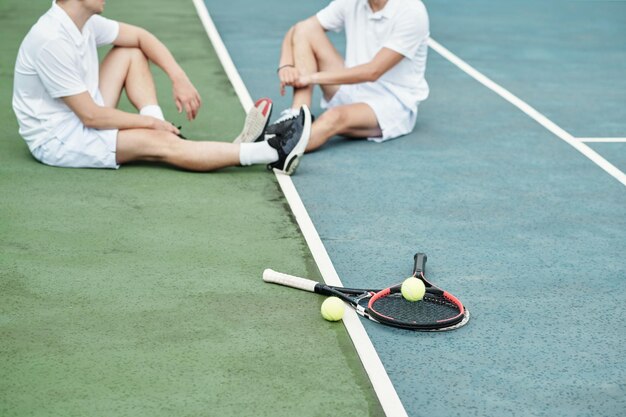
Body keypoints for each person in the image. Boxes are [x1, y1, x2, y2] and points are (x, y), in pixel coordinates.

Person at [12, 0, 311, 175]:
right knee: (161, 145)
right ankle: (272, 153)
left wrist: (178, 77)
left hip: (82, 114)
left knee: (129, 51)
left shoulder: (82, 23)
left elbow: (140, 37)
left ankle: (183, 137)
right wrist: (150, 124)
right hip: (59, 139)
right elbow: (90, 117)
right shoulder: (51, 40)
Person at [243, 0, 429, 152]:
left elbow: (373, 71)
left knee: (333, 117)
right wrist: (286, 65)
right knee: (306, 30)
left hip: (391, 103)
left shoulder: (411, 11)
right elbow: (299, 29)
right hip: (353, 87)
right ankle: (297, 115)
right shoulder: (352, 2)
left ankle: (262, 148)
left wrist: (311, 77)